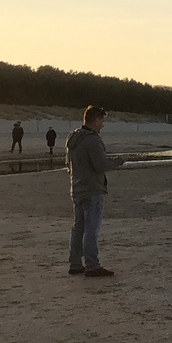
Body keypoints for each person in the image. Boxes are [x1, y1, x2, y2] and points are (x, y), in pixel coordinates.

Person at [65, 105, 117, 277]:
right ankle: (92, 265)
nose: (103, 125)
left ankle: (75, 263)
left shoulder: (73, 138)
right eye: (102, 121)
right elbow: (100, 165)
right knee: (91, 229)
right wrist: (119, 161)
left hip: (77, 188)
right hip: (92, 189)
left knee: (78, 228)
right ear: (95, 120)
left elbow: (68, 165)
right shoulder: (92, 140)